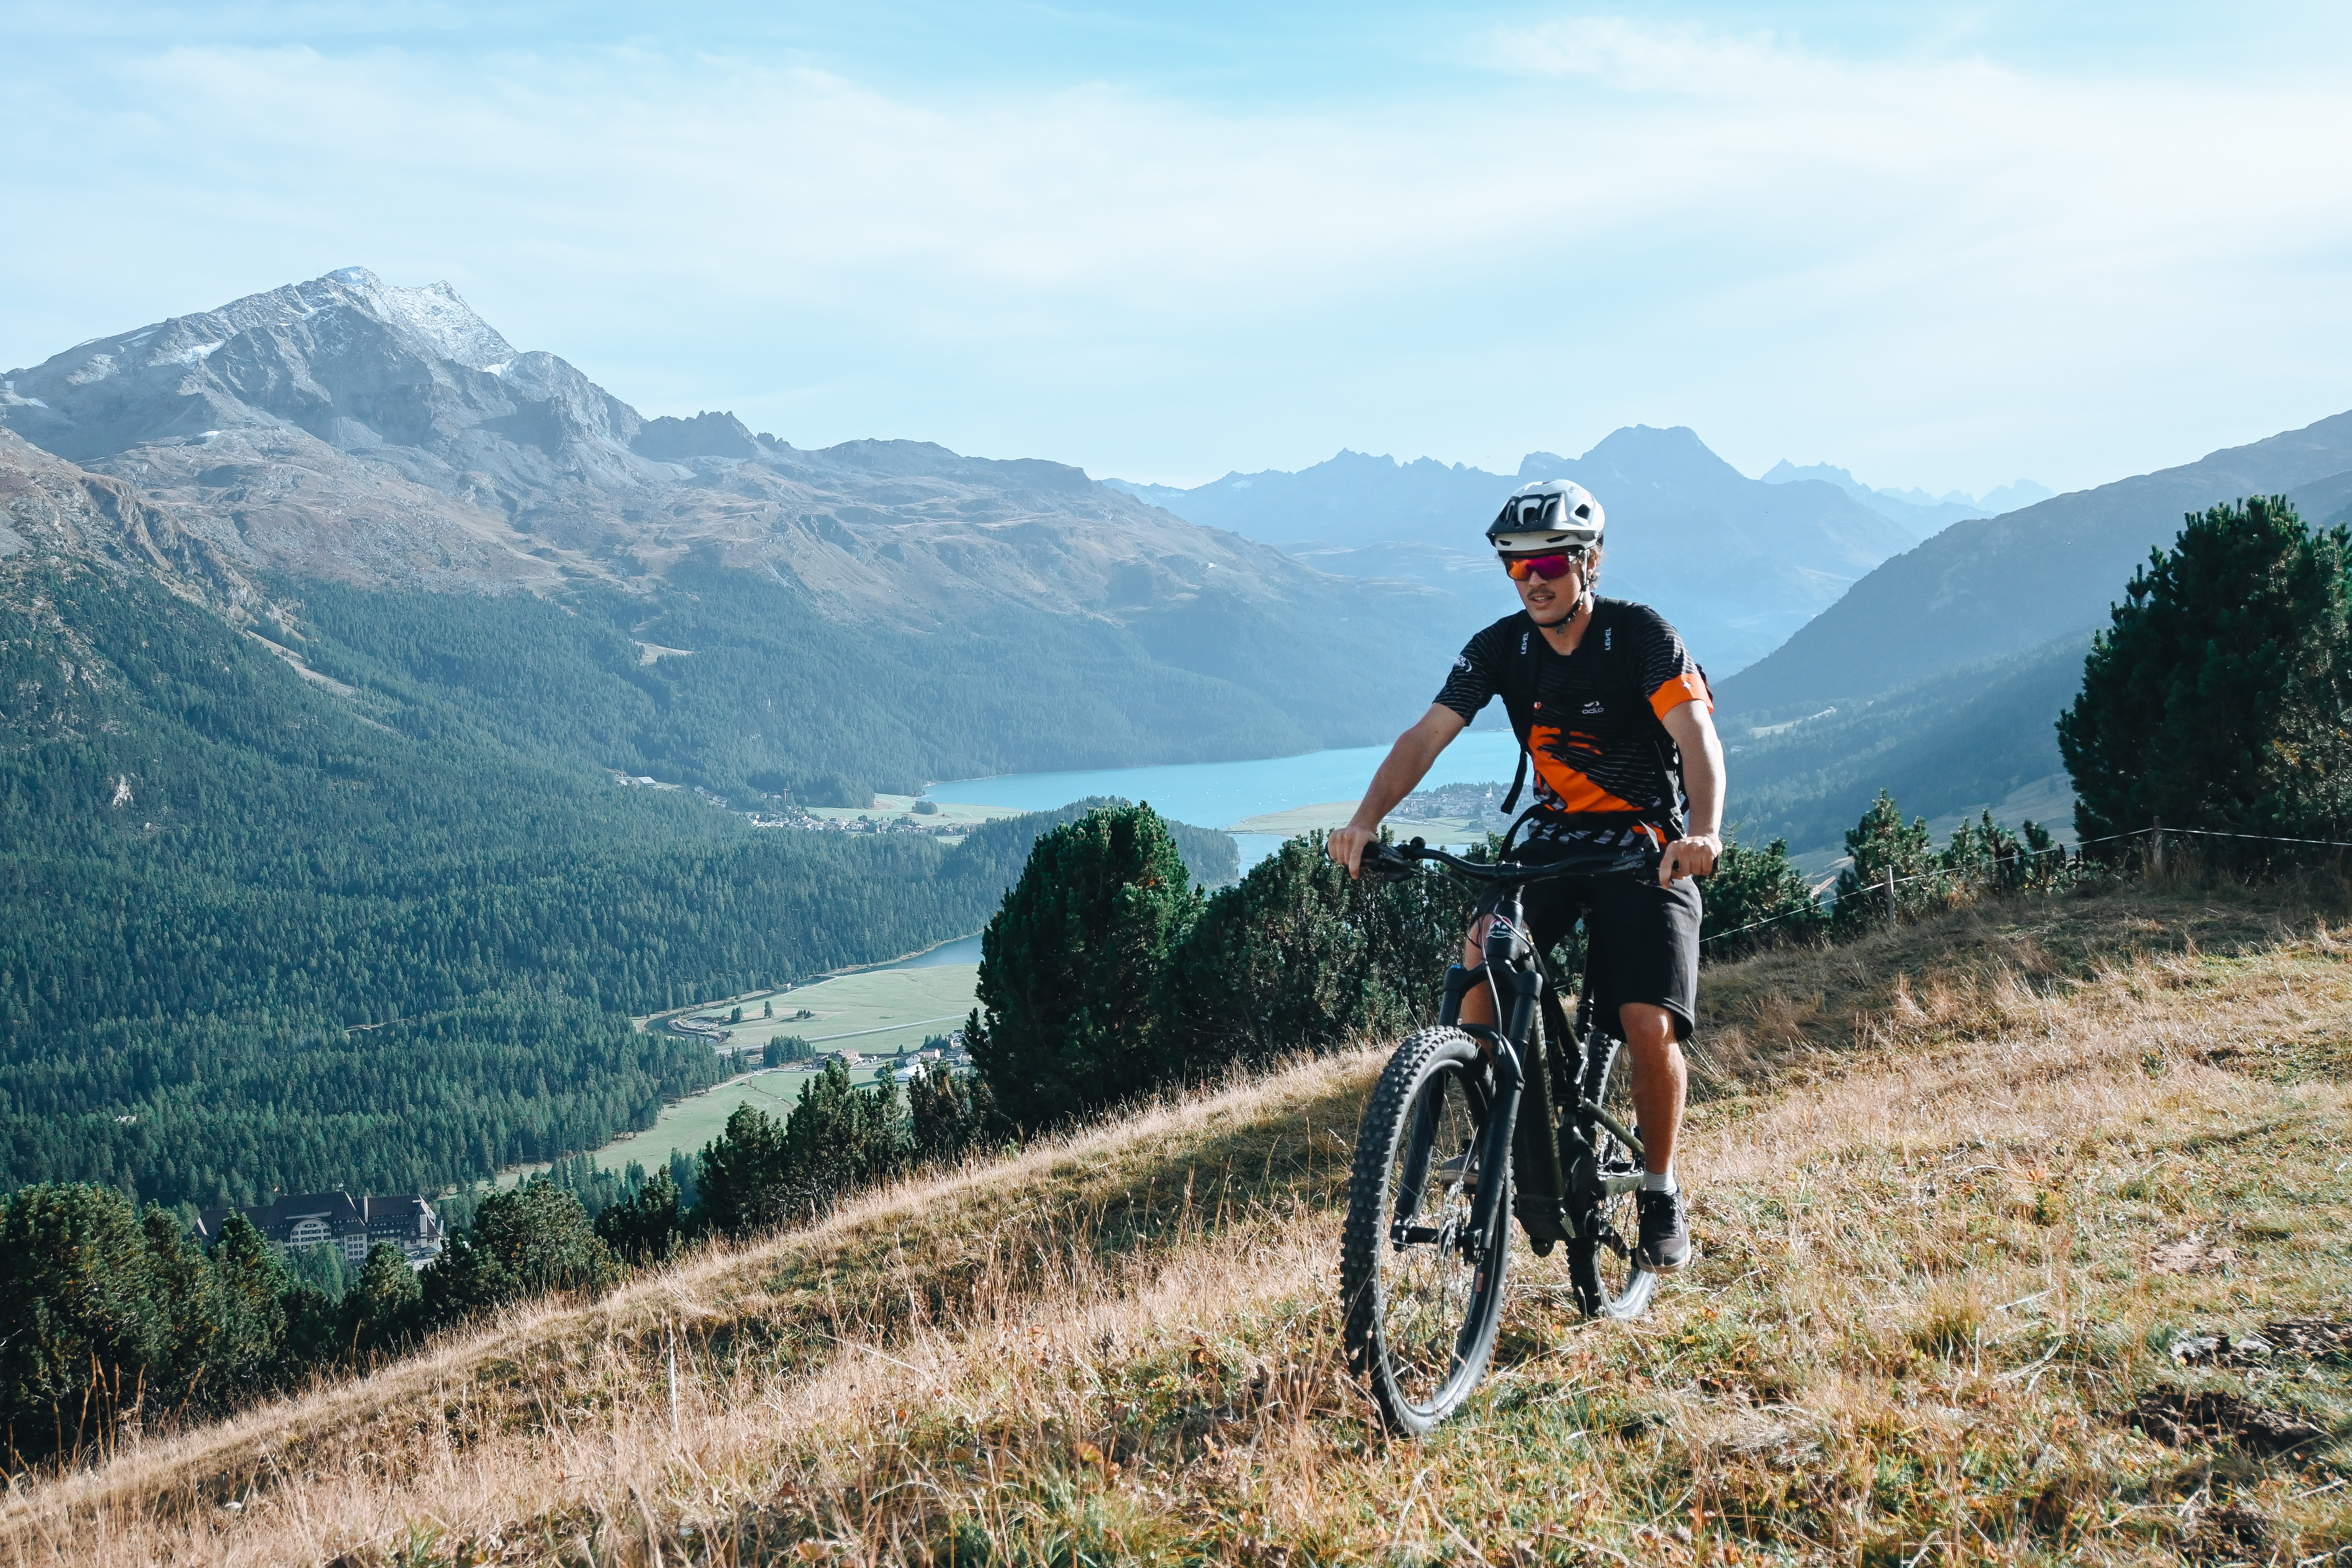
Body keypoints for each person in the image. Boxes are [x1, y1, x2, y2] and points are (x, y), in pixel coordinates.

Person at [1326, 479, 1723, 1273]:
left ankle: (1658, 1187)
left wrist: (1704, 830)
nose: (1533, 579)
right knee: (1480, 964)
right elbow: (1425, 737)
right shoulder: (1501, 647)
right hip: (1552, 840)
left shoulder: (1639, 636)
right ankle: (1489, 1134)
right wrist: (1366, 819)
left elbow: (1696, 739)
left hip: (1645, 844)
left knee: (1648, 1024)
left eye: (1548, 562)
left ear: (1589, 562)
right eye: (1517, 568)